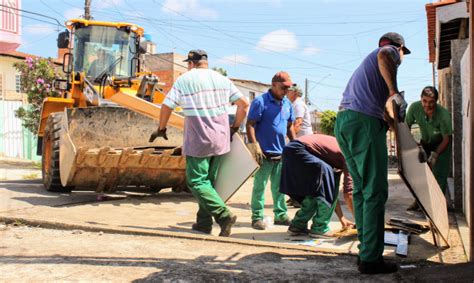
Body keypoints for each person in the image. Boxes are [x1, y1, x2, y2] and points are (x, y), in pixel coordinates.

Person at [149, 49, 249, 237]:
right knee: (208, 182)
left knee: (196, 181)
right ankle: (203, 223)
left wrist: (161, 128)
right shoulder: (222, 79)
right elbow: (244, 104)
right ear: (206, 62)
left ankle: (224, 215)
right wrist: (234, 127)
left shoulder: (185, 79)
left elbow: (166, 105)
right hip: (221, 138)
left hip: (199, 139)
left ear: (191, 63)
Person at [334, 32, 410, 274]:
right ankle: (371, 259)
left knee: (361, 190)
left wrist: (389, 119)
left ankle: (365, 250)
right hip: (363, 124)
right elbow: (386, 53)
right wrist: (394, 93)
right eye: (403, 53)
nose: (401, 57)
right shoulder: (388, 54)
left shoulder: (367, 69)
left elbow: (381, 108)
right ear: (399, 48)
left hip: (345, 121)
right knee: (375, 192)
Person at [246, 71, 296, 230]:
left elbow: (289, 126)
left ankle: (280, 215)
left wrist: (296, 145)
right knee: (259, 186)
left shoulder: (287, 103)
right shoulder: (260, 102)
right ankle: (257, 217)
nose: (286, 91)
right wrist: (254, 146)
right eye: (283, 88)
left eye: (288, 88)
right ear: (273, 85)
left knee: (280, 187)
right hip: (264, 155)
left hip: (281, 154)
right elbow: (250, 124)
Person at [280, 134, 355, 238]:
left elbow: (333, 193)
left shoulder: (335, 156)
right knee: (326, 183)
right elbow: (348, 194)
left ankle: (297, 225)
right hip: (299, 149)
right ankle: (320, 228)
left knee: (315, 192)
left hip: (291, 149)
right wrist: (361, 223)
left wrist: (342, 218)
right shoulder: (350, 157)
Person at [405, 86, 453, 210]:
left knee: (438, 176)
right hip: (425, 142)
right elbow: (406, 126)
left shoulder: (444, 115)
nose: (427, 105)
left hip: (442, 144)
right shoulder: (414, 108)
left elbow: (446, 138)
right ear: (421, 99)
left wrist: (435, 155)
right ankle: (419, 202)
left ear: (436, 101)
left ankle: (438, 208)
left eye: (431, 102)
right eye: (424, 101)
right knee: (421, 174)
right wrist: (413, 145)